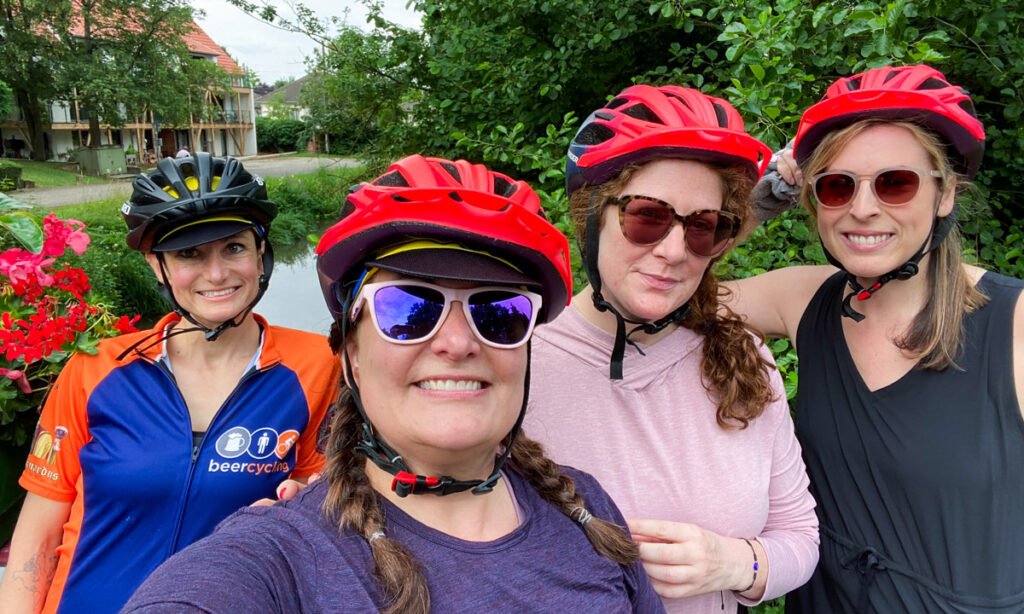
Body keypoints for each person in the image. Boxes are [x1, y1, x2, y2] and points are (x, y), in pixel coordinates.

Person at [122, 155, 666, 614]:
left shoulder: (584, 506)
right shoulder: (279, 558)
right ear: (351, 352)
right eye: (408, 308)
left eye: (498, 312)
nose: (457, 343)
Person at [725, 64, 1024, 612]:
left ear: (946, 194)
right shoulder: (804, 300)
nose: (863, 209)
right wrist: (758, 205)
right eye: (837, 186)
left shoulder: (1015, 323)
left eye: (895, 182)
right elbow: (672, 287)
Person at [522, 84, 819, 613]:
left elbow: (799, 534)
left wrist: (737, 563)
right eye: (646, 217)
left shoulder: (745, 359)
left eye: (703, 226)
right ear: (590, 216)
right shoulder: (514, 358)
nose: (673, 250)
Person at [0, 153, 339, 614]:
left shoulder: (319, 365)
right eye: (189, 254)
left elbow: (322, 511)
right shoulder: (95, 371)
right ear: (156, 266)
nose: (216, 274)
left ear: (261, 252)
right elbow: (36, 537)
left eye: (234, 247)